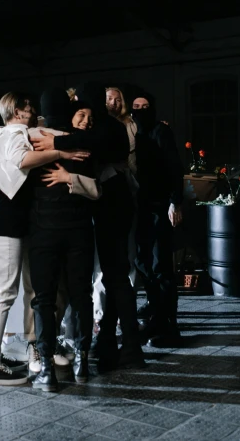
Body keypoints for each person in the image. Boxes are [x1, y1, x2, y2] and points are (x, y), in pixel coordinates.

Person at [0, 92, 90, 385]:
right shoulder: (13, 132)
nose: (32, 110)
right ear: (14, 110)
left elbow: (45, 135)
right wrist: (62, 153)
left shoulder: (10, 131)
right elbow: (21, 158)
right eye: (26, 107)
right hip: (3, 220)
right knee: (2, 293)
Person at [31, 82, 145, 371]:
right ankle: (108, 339)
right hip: (113, 206)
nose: (81, 112)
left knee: (116, 276)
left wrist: (56, 145)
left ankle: (130, 345)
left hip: (114, 206)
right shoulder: (106, 126)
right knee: (113, 275)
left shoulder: (106, 128)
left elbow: (91, 142)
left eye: (83, 104)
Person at [28, 88, 101, 391]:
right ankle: (82, 361)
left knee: (44, 298)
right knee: (80, 293)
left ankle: (46, 369)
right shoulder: (84, 144)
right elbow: (98, 186)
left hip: (43, 229)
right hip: (78, 227)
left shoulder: (32, 140)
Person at [130, 91, 185, 348]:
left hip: (159, 207)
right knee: (144, 264)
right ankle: (156, 315)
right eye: (136, 106)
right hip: (140, 209)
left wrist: (175, 202)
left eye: (145, 106)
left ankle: (169, 325)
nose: (140, 110)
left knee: (161, 266)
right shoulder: (133, 133)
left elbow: (174, 167)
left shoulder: (161, 133)